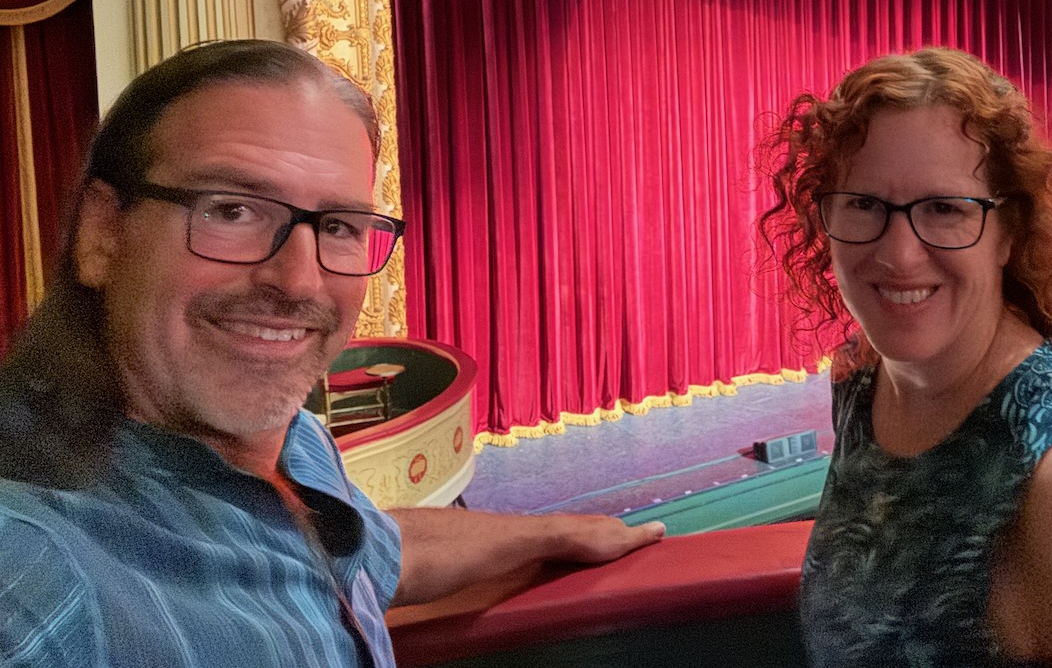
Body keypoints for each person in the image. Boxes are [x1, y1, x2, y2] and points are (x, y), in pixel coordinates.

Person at [0, 40, 663, 667]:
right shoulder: (36, 572)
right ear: (103, 233)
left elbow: (376, 552)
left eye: (340, 226)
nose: (298, 281)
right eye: (231, 210)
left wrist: (550, 534)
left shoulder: (296, 443)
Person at [759, 47, 1052, 668]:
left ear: (1008, 231)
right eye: (864, 204)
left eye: (944, 209)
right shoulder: (863, 376)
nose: (899, 255)